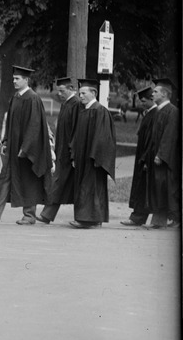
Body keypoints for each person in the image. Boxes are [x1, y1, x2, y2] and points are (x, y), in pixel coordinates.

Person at [0, 65, 53, 225]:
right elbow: (11, 122)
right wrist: (6, 140)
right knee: (5, 177)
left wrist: (26, 148)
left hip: (27, 150)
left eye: (17, 79)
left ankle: (29, 215)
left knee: (28, 180)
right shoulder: (16, 97)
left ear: (26, 80)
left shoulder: (32, 98)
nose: (14, 81)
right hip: (14, 147)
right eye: (13, 78)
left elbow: (34, 126)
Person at [66, 78, 117, 228]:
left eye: (83, 93)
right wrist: (74, 155)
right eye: (80, 93)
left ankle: (90, 220)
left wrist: (97, 157)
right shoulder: (84, 111)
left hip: (93, 159)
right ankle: (86, 219)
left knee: (92, 188)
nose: (80, 96)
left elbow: (104, 137)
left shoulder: (101, 111)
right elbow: (76, 136)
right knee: (84, 187)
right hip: (82, 158)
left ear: (93, 93)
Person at [37, 76, 82, 225]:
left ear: (71, 89)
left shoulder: (75, 105)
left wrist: (73, 151)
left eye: (62, 91)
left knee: (61, 183)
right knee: (62, 184)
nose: (59, 94)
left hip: (70, 152)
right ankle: (48, 214)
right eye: (58, 91)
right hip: (63, 151)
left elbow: (76, 131)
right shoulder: (66, 104)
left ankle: (47, 214)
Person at [146, 78, 180, 229]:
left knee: (168, 188)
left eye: (155, 91)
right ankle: (159, 220)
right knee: (158, 188)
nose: (152, 94)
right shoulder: (159, 110)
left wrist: (161, 154)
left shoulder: (172, 111)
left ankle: (176, 218)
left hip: (167, 158)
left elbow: (169, 135)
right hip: (157, 156)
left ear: (165, 94)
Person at [121, 86, 156, 227]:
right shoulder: (149, 113)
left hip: (146, 156)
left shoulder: (155, 114)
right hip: (142, 155)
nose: (141, 104)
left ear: (151, 99)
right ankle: (137, 216)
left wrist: (146, 158)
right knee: (141, 187)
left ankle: (137, 217)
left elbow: (153, 139)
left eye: (143, 101)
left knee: (143, 187)